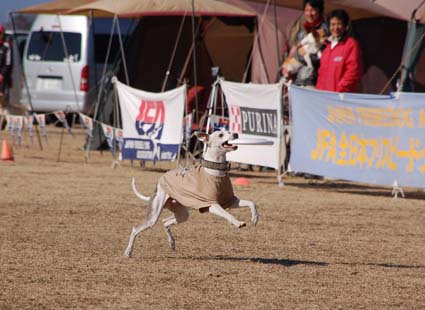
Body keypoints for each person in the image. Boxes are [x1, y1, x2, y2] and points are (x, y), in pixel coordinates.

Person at [316, 9, 363, 93]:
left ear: (345, 26)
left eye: (339, 24)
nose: (335, 28)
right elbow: (321, 75)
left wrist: (340, 90)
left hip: (341, 98)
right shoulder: (327, 48)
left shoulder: (351, 44)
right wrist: (318, 93)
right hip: (325, 97)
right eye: (333, 24)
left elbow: (353, 72)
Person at [282, 0, 327, 86]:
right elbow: (295, 48)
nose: (309, 14)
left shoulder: (324, 30)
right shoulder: (303, 29)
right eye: (306, 10)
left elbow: (319, 56)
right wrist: (287, 66)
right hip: (300, 79)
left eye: (312, 10)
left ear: (320, 11)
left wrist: (297, 53)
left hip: (315, 80)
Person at [0, 24, 12, 109]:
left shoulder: (6, 47)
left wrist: (2, 74)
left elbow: (8, 63)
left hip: (3, 77)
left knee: (2, 99)